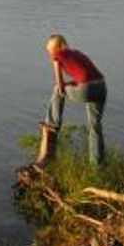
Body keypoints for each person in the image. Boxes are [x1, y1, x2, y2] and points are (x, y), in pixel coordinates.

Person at [34, 33, 107, 167]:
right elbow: (85, 75)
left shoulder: (57, 56)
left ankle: (52, 123)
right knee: (95, 126)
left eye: (49, 50)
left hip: (87, 89)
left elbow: (59, 84)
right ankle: (97, 165)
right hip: (101, 87)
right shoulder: (77, 53)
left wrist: (63, 86)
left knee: (56, 90)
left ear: (54, 48)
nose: (49, 54)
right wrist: (71, 84)